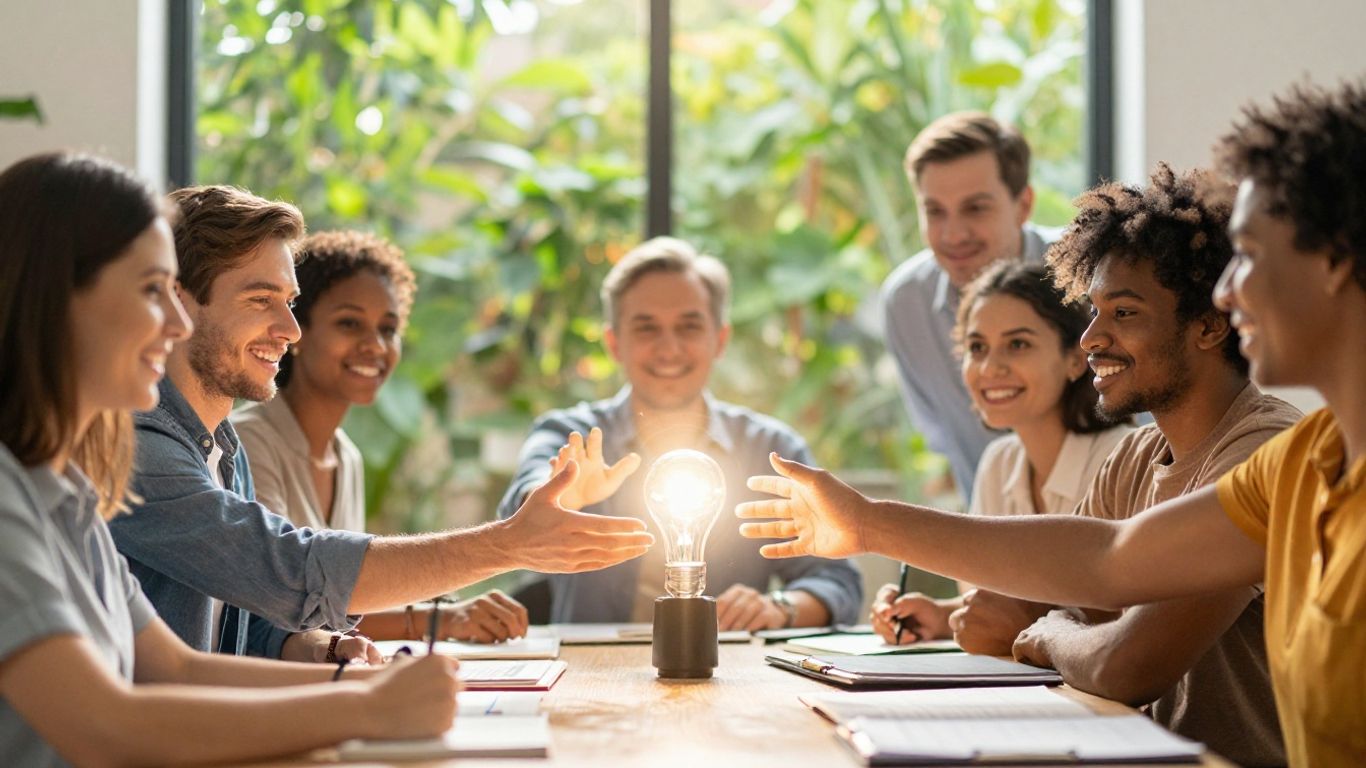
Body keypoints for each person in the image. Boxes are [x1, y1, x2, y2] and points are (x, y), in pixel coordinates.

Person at [737, 80, 1366, 768]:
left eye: (1249, 254)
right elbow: (1105, 563)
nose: (1227, 287)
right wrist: (866, 524)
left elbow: (1122, 653)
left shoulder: (1265, 445)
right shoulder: (1300, 462)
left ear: (1334, 260)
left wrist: (1039, 631)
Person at [0, 152, 458, 766]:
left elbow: (175, 666)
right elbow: (104, 726)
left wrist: (366, 685)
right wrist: (369, 707)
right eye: (151, 291)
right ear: (59, 298)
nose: (174, 323)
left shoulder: (69, 490)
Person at [109, 184, 652, 662]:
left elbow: (246, 632)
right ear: (177, 304)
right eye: (260, 299)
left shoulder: (226, 453)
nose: (290, 330)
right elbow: (288, 571)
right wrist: (508, 544)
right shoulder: (135, 448)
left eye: (291, 303)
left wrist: (318, 648)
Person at [496, 237, 862, 630]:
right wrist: (561, 497)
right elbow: (520, 510)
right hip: (590, 670)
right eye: (646, 328)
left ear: (719, 340)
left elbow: (837, 581)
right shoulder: (571, 437)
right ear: (614, 343)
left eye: (688, 327)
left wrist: (779, 607)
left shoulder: (770, 450)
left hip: (724, 673)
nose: (668, 348)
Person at [233, 230, 528, 644]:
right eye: (350, 323)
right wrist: (444, 619)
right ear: (297, 329)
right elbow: (283, 609)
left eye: (388, 329)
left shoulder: (346, 456)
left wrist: (448, 614)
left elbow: (338, 608)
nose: (374, 345)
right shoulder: (248, 444)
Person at [871, 261, 1133, 651]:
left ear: (1075, 359)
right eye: (977, 348)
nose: (990, 367)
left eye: (1018, 344)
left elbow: (1125, 620)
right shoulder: (999, 463)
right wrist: (942, 615)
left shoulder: (1125, 458)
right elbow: (997, 602)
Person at [881, 112, 1060, 503]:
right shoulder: (906, 305)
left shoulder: (1090, 274)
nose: (954, 234)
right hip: (988, 539)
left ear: (1023, 204)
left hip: (1113, 528)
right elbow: (942, 437)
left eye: (975, 208)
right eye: (935, 212)